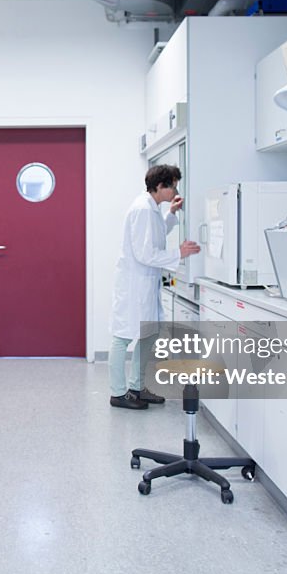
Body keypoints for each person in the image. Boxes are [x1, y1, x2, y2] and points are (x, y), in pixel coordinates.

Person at [108, 164, 201, 410]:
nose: (175, 191)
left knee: (149, 333)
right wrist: (178, 252)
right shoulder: (142, 210)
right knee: (123, 337)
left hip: (144, 285)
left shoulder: (151, 209)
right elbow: (145, 253)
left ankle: (136, 388)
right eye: (173, 186)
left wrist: (170, 214)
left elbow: (156, 234)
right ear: (160, 186)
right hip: (134, 285)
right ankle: (118, 394)